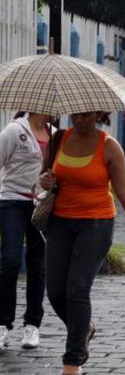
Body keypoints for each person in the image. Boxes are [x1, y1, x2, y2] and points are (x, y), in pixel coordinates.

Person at [39, 112, 125, 375]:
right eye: (75, 115)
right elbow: (41, 180)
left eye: (85, 115)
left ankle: (72, 362)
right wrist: (45, 180)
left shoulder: (109, 146)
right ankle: (85, 328)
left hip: (96, 224)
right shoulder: (58, 138)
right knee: (55, 292)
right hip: (59, 223)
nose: (79, 119)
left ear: (97, 114)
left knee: (77, 288)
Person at [0, 112, 53, 351]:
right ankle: (2, 324)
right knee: (10, 260)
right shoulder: (14, 131)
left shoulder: (54, 135)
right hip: (11, 200)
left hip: (40, 205)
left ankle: (32, 324)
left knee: (37, 263)